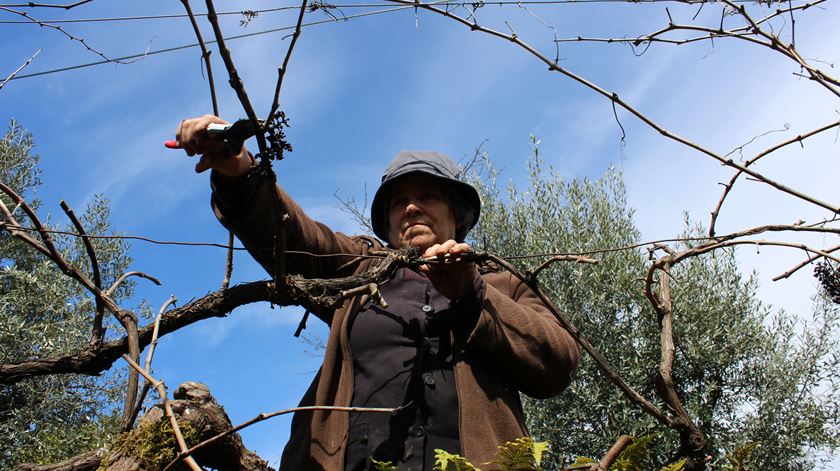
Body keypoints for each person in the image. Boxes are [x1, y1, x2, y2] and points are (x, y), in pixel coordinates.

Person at [174, 115, 580, 470]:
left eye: (428, 195)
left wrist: (472, 296)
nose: (411, 207)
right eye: (398, 201)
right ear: (386, 224)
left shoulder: (502, 282)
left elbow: (558, 361)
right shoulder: (360, 268)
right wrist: (238, 169)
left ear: (457, 214)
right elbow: (294, 237)